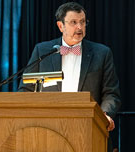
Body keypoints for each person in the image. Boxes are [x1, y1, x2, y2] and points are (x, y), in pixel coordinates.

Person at [18, 2, 121, 132]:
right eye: (73, 22)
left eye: (82, 22)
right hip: (47, 129)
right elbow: (26, 89)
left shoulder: (102, 53)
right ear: (61, 26)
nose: (79, 27)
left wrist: (104, 116)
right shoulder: (42, 51)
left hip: (88, 128)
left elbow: (111, 93)